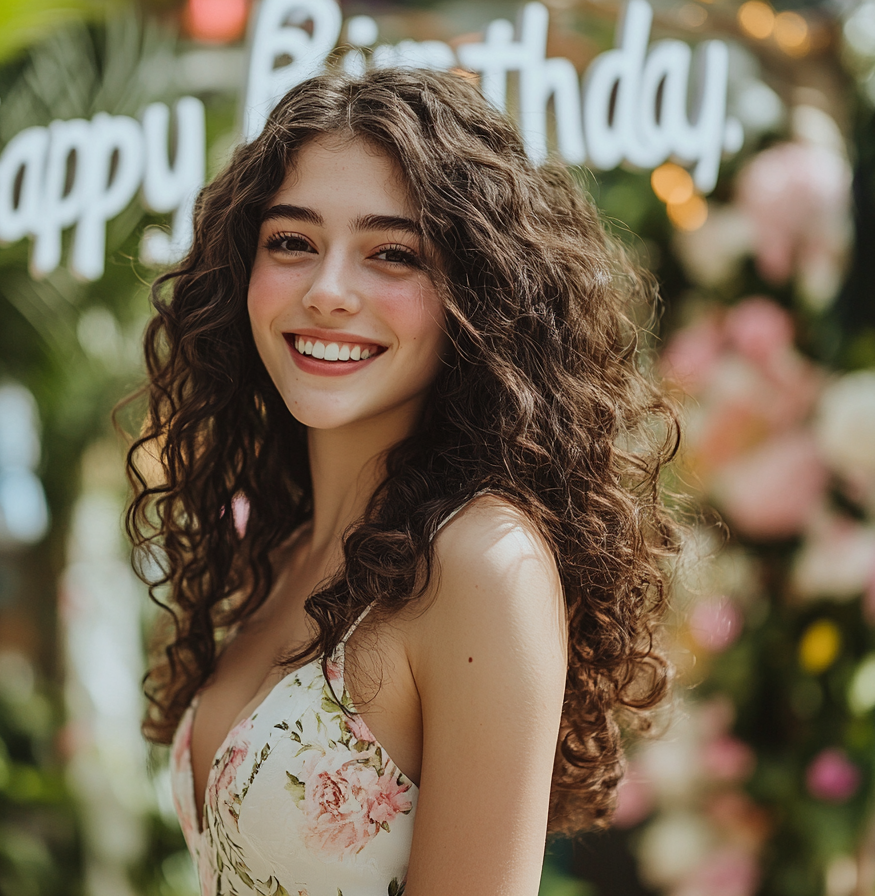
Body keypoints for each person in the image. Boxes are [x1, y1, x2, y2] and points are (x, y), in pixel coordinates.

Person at [123, 67, 679, 896]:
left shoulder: (481, 563)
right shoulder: (281, 551)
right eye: (292, 242)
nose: (328, 291)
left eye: (393, 254)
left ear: (479, 295)